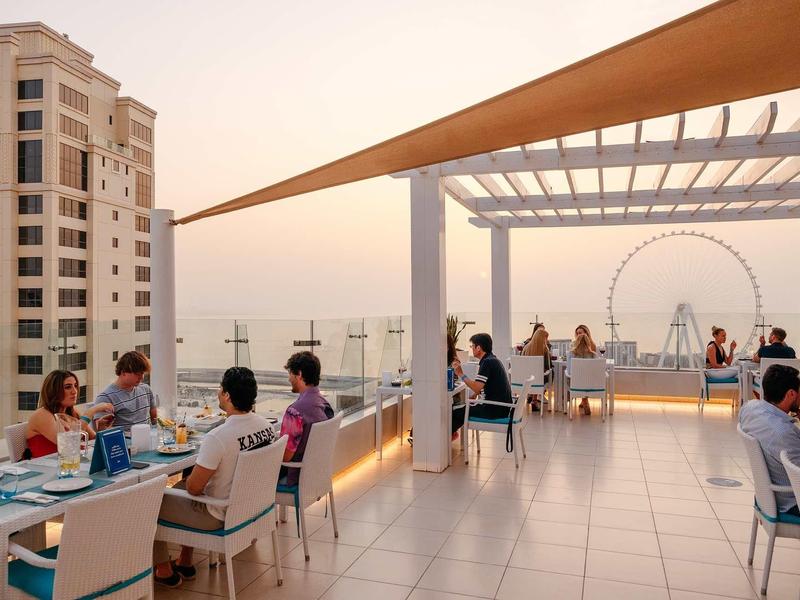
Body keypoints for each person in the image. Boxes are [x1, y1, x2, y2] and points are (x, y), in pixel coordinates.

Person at [153, 366, 276, 588]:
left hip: (218, 515)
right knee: (184, 482)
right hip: (250, 507)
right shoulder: (266, 427)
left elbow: (194, 490)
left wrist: (191, 482)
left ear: (227, 395)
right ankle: (186, 560)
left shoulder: (218, 437)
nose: (218, 392)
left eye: (221, 389)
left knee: (151, 501)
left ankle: (162, 569)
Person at [739, 364, 800, 516]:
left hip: (768, 499)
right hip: (791, 503)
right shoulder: (785, 433)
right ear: (791, 394)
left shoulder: (748, 409)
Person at [25, 370, 114, 458]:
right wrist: (91, 412)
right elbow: (68, 444)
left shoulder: (73, 413)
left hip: (69, 464)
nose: (74, 391)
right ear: (54, 391)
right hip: (44, 467)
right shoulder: (42, 415)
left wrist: (101, 429)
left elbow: (93, 441)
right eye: (68, 387)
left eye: (75, 386)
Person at [280, 351, 334, 486]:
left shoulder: (295, 412)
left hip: (296, 477)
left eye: (290, 374)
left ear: (299, 374)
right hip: (316, 475)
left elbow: (285, 456)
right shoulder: (323, 404)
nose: (289, 379)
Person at [452, 333, 514, 432]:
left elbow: (476, 387)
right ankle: (449, 438)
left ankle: (444, 441)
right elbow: (485, 385)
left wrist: (460, 373)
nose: (472, 348)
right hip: (502, 408)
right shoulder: (492, 359)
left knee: (456, 412)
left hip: (494, 410)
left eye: (472, 346)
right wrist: (474, 395)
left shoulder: (487, 362)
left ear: (478, 348)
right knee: (462, 410)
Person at [93, 351, 157, 431]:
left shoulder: (146, 389)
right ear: (123, 372)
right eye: (137, 374)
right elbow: (102, 431)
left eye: (142, 373)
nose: (141, 377)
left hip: (147, 439)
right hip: (122, 441)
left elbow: (155, 420)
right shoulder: (106, 397)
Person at [521, 327, 552, 410]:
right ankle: (534, 400)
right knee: (546, 374)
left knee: (534, 374)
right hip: (538, 379)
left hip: (526, 378)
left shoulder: (526, 347)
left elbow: (522, 362)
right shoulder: (545, 349)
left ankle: (530, 396)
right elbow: (547, 367)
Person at [568, 333, 597, 415]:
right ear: (588, 342)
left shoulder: (571, 354)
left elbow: (569, 372)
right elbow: (595, 371)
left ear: (576, 342)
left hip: (575, 384)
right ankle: (585, 401)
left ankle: (564, 405)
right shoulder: (593, 355)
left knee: (567, 378)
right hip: (590, 384)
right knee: (587, 379)